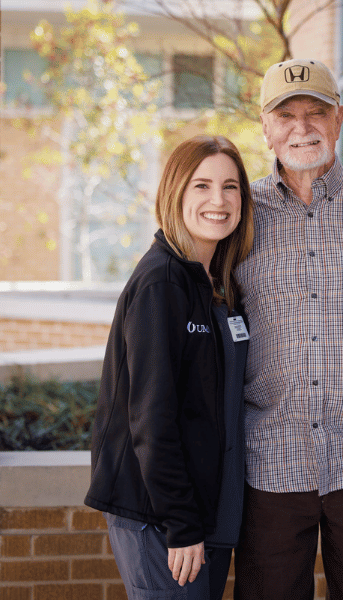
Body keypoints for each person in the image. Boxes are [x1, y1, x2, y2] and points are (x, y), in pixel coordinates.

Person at [233, 58, 343, 600]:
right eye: (286, 115)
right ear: (265, 126)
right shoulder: (238, 214)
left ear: (339, 119)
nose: (301, 127)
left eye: (316, 112)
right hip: (269, 465)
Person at [84, 135, 254, 600]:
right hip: (162, 518)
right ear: (175, 193)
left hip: (207, 513)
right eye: (201, 186)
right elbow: (151, 416)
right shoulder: (162, 281)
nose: (218, 201)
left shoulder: (215, 280)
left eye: (230, 187)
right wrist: (181, 523)